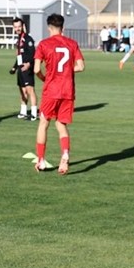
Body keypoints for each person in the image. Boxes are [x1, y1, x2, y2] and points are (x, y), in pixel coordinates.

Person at [34, 13, 84, 174]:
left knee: (44, 123)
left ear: (49, 27)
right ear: (63, 27)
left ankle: (40, 160)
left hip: (51, 89)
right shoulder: (72, 43)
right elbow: (81, 66)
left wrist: (44, 77)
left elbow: (36, 69)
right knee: (61, 124)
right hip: (68, 89)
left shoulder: (44, 44)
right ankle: (65, 155)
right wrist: (68, 72)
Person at [12, 17, 38, 120]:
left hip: (28, 69)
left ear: (23, 26)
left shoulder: (28, 39)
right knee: (22, 90)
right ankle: (23, 112)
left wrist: (28, 64)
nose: (17, 28)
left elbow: (34, 54)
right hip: (20, 69)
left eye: (19, 26)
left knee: (30, 90)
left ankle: (34, 113)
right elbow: (19, 56)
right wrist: (14, 67)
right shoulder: (18, 39)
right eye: (15, 27)